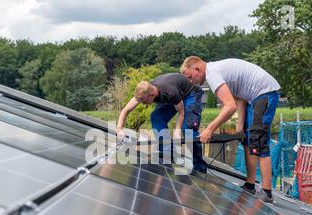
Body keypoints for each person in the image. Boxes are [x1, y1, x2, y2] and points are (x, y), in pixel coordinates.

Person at [180, 56, 280, 203]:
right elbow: (240, 100)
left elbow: (230, 106)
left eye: (190, 77)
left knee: (258, 140)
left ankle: (267, 192)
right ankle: (250, 184)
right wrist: (240, 128)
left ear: (197, 69)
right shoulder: (216, 71)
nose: (191, 81)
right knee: (247, 139)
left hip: (264, 93)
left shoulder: (212, 74)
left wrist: (209, 129)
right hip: (254, 97)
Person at [116, 73, 207, 173]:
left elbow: (181, 112)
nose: (142, 103)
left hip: (190, 94)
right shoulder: (143, 91)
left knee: (188, 129)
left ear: (151, 95)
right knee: (156, 116)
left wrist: (177, 131)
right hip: (174, 95)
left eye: (144, 101)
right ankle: (167, 153)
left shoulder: (170, 92)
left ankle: (199, 166)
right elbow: (125, 111)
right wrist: (119, 129)